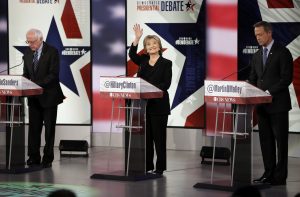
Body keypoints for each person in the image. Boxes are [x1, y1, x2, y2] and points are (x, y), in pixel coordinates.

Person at [248, 21, 293, 185]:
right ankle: (268, 173)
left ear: (269, 33)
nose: (257, 38)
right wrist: (247, 88)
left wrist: (268, 93)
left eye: (260, 34)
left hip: (278, 105)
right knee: (265, 142)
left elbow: (286, 78)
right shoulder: (257, 55)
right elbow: (253, 78)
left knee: (280, 142)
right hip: (262, 107)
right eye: (256, 35)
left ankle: (280, 177)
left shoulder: (283, 52)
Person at [129, 24, 172, 175]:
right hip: (142, 106)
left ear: (159, 46)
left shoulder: (167, 63)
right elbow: (132, 55)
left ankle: (159, 168)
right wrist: (137, 38)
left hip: (159, 106)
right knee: (146, 139)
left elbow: (165, 84)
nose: (151, 46)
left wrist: (147, 87)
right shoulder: (142, 60)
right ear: (145, 48)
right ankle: (147, 166)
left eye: (154, 43)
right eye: (148, 44)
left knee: (159, 139)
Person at [23, 28, 65, 168]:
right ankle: (33, 157)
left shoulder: (52, 52)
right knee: (34, 129)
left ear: (40, 39)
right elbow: (25, 74)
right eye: (28, 42)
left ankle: (47, 158)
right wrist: (21, 82)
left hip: (49, 97)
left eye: (32, 42)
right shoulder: (28, 53)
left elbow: (53, 75)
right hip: (33, 97)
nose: (30, 45)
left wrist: (36, 85)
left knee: (49, 130)